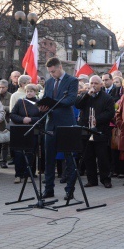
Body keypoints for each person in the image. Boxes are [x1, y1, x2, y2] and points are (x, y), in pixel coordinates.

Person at [39, 57, 79, 200]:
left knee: (69, 158)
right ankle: (48, 189)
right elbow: (45, 97)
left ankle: (69, 190)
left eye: (53, 71)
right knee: (49, 157)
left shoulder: (72, 80)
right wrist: (43, 107)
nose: (52, 75)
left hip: (66, 123)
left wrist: (52, 103)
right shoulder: (49, 82)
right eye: (50, 72)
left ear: (60, 67)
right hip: (51, 123)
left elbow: (71, 100)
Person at [75, 75, 116, 188]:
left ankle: (105, 179)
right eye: (92, 83)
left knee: (102, 156)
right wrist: (87, 95)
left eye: (96, 83)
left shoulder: (107, 98)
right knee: (88, 157)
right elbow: (78, 105)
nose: (93, 85)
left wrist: (96, 119)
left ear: (101, 85)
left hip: (100, 131)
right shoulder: (85, 95)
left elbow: (110, 113)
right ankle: (91, 180)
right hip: (86, 131)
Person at [9, 83, 41, 183]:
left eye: (31, 91)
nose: (29, 93)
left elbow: (42, 117)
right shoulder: (20, 102)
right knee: (18, 153)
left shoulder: (39, 103)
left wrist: (31, 119)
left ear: (35, 92)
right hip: (20, 130)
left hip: (33, 131)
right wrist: (23, 119)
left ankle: (29, 174)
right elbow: (13, 115)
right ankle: (18, 175)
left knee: (30, 153)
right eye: (27, 91)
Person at [0, 79, 12, 168]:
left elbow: (12, 107)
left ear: (7, 87)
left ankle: (3, 160)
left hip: (6, 121)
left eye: (3, 87)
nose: (1, 89)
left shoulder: (10, 96)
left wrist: (3, 108)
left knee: (5, 142)